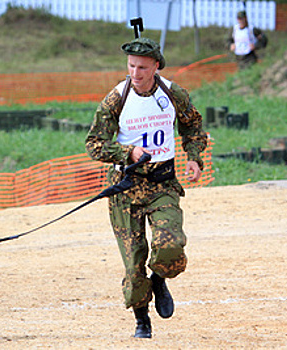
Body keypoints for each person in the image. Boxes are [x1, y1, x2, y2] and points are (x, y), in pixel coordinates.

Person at [85, 37, 207, 339]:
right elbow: (94, 144)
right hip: (125, 189)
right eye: (131, 66)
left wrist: (194, 158)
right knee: (133, 263)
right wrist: (128, 153)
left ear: (156, 66)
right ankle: (142, 322)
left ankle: (160, 278)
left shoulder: (172, 92)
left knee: (171, 247)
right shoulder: (117, 98)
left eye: (142, 67)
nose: (135, 73)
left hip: (162, 184)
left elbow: (192, 125)